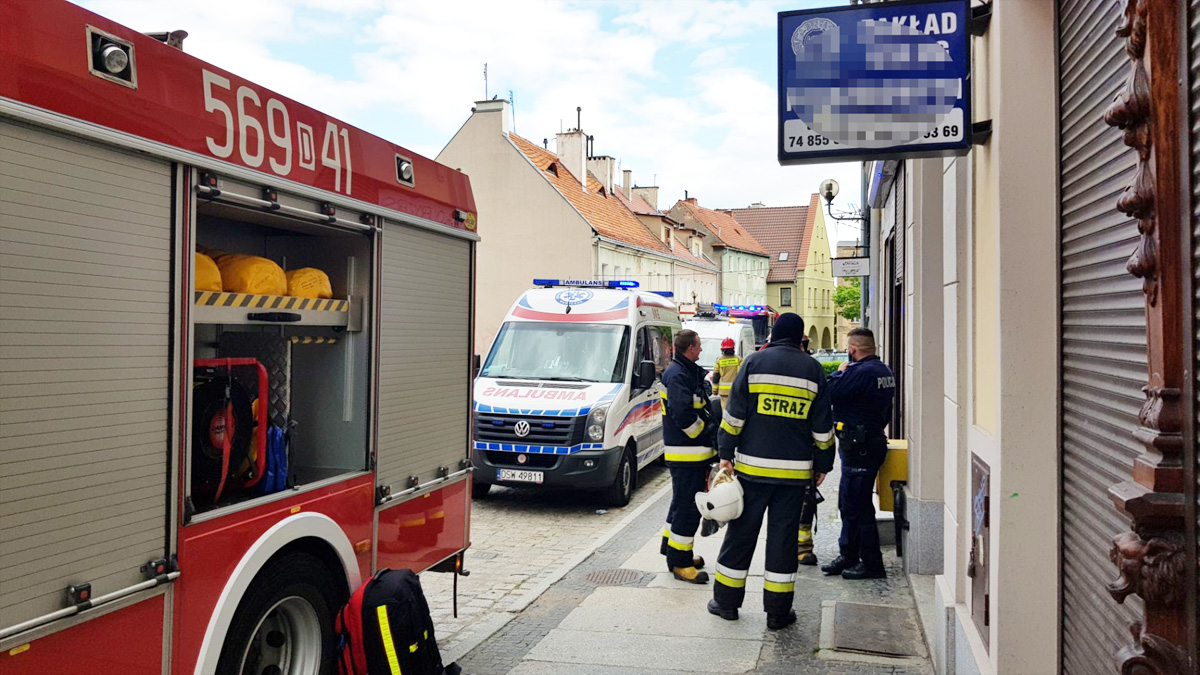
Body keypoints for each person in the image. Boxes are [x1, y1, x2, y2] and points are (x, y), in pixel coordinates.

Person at [708, 313, 834, 630]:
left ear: (773, 334)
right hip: (793, 477)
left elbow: (734, 416)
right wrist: (823, 465)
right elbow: (823, 429)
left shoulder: (753, 363)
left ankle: (726, 604)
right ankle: (777, 612)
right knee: (783, 541)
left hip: (752, 471)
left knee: (741, 535)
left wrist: (725, 454)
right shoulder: (814, 370)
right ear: (800, 337)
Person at [820, 328, 896, 580]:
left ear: (853, 349)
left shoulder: (859, 372)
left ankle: (872, 564)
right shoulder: (884, 371)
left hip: (860, 446)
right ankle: (849, 554)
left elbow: (827, 392)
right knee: (848, 502)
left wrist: (838, 372)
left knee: (858, 506)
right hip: (867, 442)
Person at [660, 329, 716, 583]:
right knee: (687, 509)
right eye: (699, 345)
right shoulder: (677, 374)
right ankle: (680, 563)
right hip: (687, 454)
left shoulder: (683, 371)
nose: (702, 350)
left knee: (680, 505)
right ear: (690, 348)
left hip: (690, 454)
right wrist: (706, 433)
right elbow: (682, 415)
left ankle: (674, 551)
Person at [712, 337, 742, 409]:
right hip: (735, 391)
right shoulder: (738, 359)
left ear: (722, 349)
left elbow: (716, 376)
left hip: (724, 392)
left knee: (725, 411)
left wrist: (714, 390)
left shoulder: (719, 360)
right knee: (734, 410)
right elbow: (742, 374)